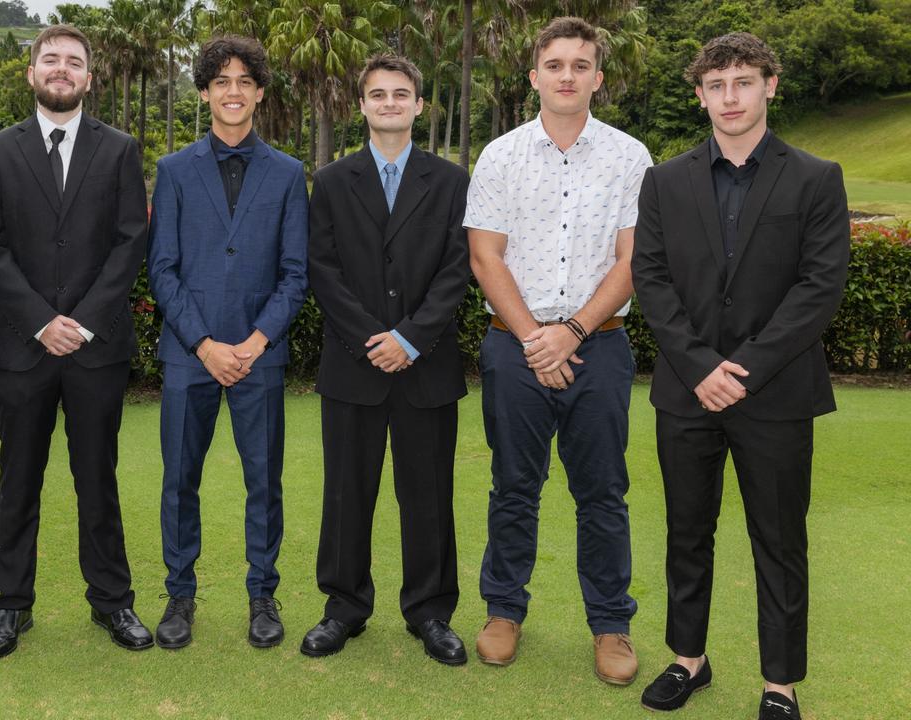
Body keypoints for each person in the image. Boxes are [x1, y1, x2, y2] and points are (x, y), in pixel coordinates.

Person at [633, 33, 849, 719]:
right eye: (717, 84)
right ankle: (688, 661)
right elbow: (652, 279)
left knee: (780, 541)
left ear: (770, 87)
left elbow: (820, 287)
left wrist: (745, 369)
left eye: (744, 82)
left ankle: (780, 683)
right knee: (687, 533)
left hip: (777, 394)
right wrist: (702, 368)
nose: (730, 97)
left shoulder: (816, 177)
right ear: (700, 94)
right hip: (687, 392)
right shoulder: (664, 180)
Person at [463, 16, 650, 685]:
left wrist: (568, 334)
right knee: (514, 488)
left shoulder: (630, 157)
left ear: (597, 77)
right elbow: (486, 257)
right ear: (535, 75)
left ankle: (611, 625)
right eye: (555, 65)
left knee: (602, 493)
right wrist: (535, 339)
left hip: (599, 345)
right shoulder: (500, 156)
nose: (567, 76)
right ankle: (503, 612)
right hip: (513, 345)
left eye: (580, 65)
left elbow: (633, 261)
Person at [0, 24, 152, 658]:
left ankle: (112, 602)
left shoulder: (122, 149)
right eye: (51, 59)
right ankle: (11, 607)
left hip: (96, 350)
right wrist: (41, 321)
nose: (62, 69)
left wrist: (83, 321)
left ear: (89, 77)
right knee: (18, 478)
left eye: (74, 62)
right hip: (24, 348)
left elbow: (132, 241)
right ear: (31, 72)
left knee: (96, 478)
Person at [299, 54, 470, 665]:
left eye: (402, 93)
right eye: (378, 94)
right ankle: (344, 607)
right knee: (346, 494)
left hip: (427, 367)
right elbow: (323, 268)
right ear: (362, 105)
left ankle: (430, 611)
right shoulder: (332, 179)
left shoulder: (452, 182)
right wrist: (375, 338)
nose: (390, 102)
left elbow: (459, 270)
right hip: (354, 365)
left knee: (428, 495)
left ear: (421, 105)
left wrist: (411, 338)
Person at [147, 35, 308, 650]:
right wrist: (206, 344)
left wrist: (257, 340)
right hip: (190, 357)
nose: (233, 91)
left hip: (261, 360)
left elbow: (297, 273)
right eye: (221, 81)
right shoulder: (174, 170)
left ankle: (262, 593)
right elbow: (162, 268)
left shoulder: (290, 174)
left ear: (260, 91)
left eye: (244, 80)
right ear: (206, 92)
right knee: (179, 480)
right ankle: (179, 595)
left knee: (263, 481)